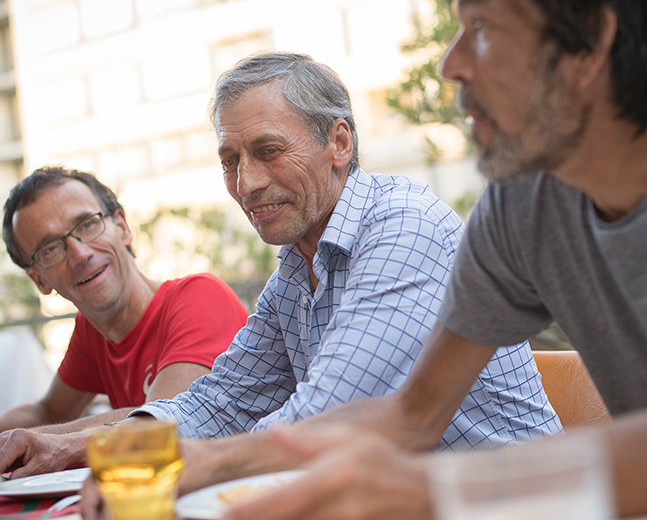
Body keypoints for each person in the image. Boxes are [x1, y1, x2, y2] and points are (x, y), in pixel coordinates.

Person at [183, 0, 647, 520]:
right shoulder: (526, 199)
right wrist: (207, 461)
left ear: (589, 41)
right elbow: (410, 416)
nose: (451, 65)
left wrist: (446, 495)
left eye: (480, 27)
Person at [7, 53, 559, 481]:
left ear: (339, 141)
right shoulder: (294, 272)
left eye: (268, 151)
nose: (245, 184)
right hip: (415, 517)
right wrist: (70, 445)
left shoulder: (403, 224)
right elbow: (222, 402)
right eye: (230, 161)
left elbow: (324, 414)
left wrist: (190, 464)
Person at [0, 167, 249, 474]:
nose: (79, 253)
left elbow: (159, 422)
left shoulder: (201, 296)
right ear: (38, 279)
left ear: (122, 226)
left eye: (88, 225)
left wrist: (40, 440)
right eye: (50, 249)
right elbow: (48, 410)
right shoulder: (91, 331)